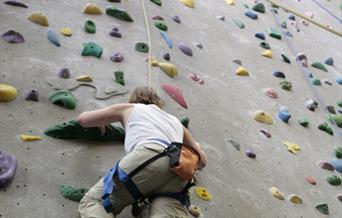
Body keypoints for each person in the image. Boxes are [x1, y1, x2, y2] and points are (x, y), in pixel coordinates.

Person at [77, 86, 208, 218]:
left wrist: (101, 123)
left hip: (150, 157)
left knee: (95, 202)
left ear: (133, 100)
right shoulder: (176, 122)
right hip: (180, 172)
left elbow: (83, 120)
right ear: (158, 102)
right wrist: (196, 145)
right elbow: (202, 162)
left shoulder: (130, 108)